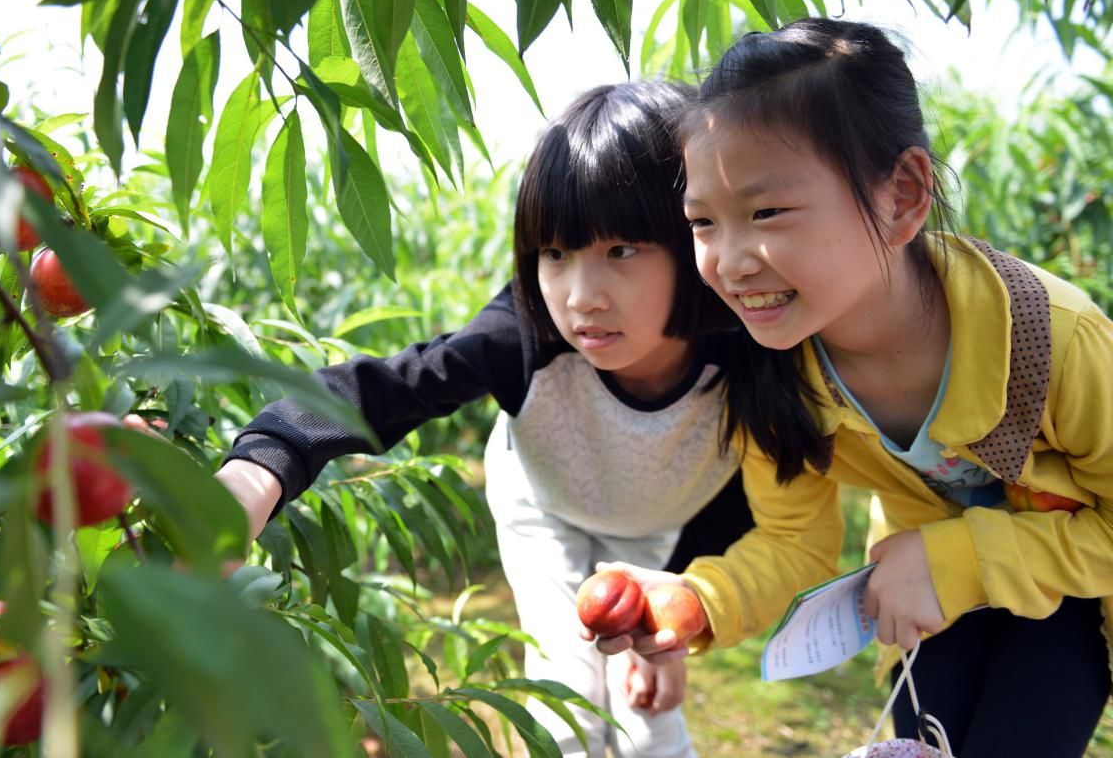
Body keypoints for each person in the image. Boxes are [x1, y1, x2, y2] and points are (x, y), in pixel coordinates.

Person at [213, 81, 809, 757]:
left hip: (659, 526)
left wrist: (681, 612)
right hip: (544, 507)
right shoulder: (525, 336)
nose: (581, 298)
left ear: (693, 235)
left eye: (621, 251)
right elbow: (384, 389)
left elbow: (739, 500)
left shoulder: (750, 354)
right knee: (568, 703)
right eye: (554, 254)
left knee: (647, 708)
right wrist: (257, 469)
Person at [592, 18, 1113, 757]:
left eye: (766, 211)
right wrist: (697, 601)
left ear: (902, 195)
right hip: (921, 594)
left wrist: (954, 558)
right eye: (703, 222)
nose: (731, 260)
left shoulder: (1052, 342)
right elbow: (793, 540)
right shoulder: (781, 375)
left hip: (1073, 592)